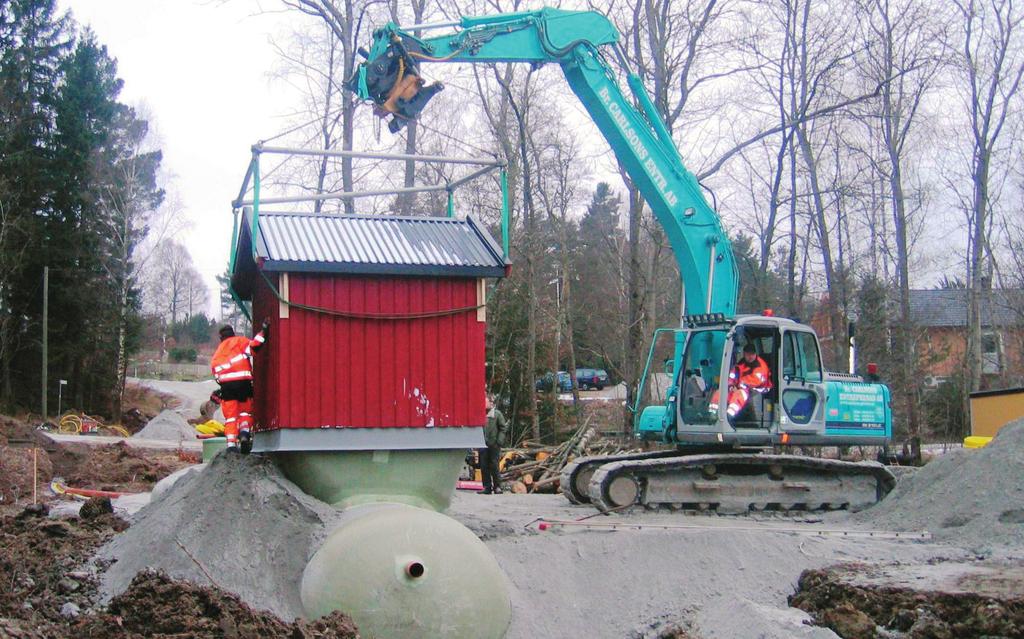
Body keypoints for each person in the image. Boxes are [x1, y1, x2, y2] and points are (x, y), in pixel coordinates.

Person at [210, 320, 269, 452]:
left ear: (221, 338)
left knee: (231, 416)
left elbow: (216, 373)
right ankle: (244, 433)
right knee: (245, 411)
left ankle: (231, 445)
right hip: (244, 384)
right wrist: (264, 331)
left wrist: (221, 388)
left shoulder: (217, 353)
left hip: (227, 388)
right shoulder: (240, 341)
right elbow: (255, 346)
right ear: (233, 333)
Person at [708, 343, 772, 420]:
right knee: (721, 392)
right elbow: (733, 374)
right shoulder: (742, 362)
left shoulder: (760, 366)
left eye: (752, 354)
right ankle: (712, 414)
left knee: (739, 394)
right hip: (740, 386)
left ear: (755, 354)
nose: (750, 357)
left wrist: (738, 386)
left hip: (756, 390)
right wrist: (730, 385)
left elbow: (754, 382)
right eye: (747, 354)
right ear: (744, 354)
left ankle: (729, 417)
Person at [478, 393, 508, 495]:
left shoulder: (497, 414)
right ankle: (486, 487)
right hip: (483, 444)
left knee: (494, 465)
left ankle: (497, 486)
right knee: (483, 466)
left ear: (491, 403)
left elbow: (503, 428)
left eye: (485, 401)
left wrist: (499, 441)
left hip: (494, 444)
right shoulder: (480, 414)